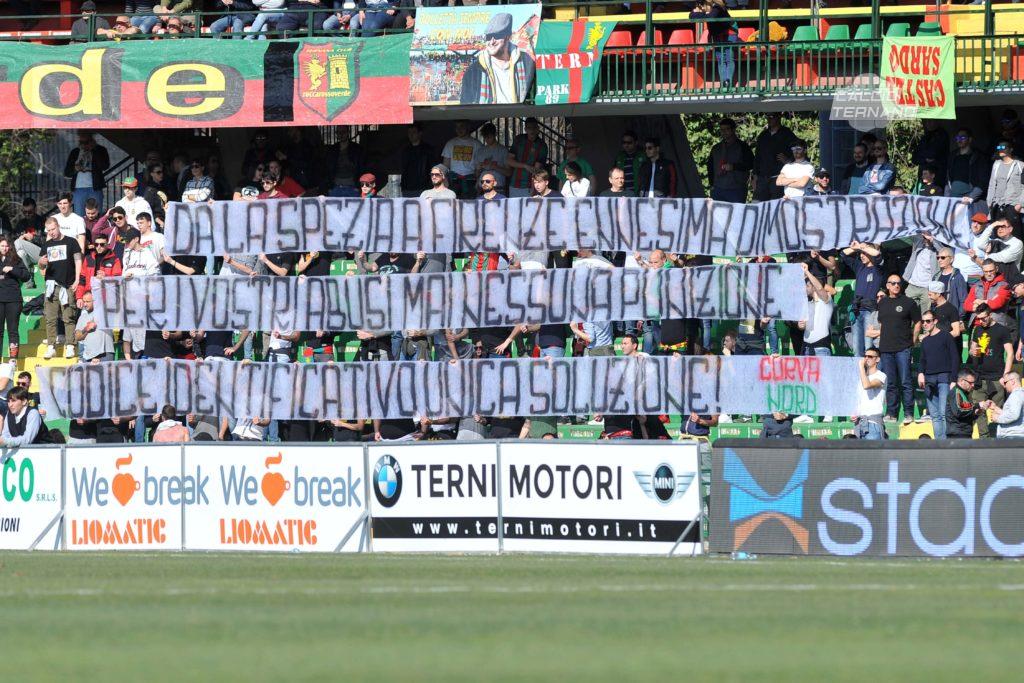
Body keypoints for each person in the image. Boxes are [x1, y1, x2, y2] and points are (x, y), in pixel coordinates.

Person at [873, 275, 921, 425]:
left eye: (899, 283)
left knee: (906, 382)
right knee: (891, 383)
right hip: (886, 349)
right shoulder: (882, 303)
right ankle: (891, 413)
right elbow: (882, 324)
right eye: (893, 283)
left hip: (902, 348)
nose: (896, 285)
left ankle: (908, 413)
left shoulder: (909, 302)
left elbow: (918, 322)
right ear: (887, 285)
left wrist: (912, 341)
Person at [459, 13, 536, 105]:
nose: (491, 42)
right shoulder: (473, 71)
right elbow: (466, 105)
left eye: (496, 36)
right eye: (488, 37)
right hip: (487, 118)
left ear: (508, 36)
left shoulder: (526, 61)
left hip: (518, 115)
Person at [967, 303, 1014, 438]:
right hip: (979, 377)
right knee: (979, 411)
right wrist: (973, 352)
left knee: (996, 411)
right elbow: (972, 350)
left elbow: (1010, 353)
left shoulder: (1002, 330)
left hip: (996, 377)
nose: (981, 321)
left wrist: (1005, 376)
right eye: (978, 318)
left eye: (983, 318)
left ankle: (995, 441)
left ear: (990, 315)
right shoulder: (977, 329)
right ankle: (984, 441)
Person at [38, 217, 82, 361]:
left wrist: (77, 280)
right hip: (51, 285)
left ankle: (70, 344)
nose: (51, 232)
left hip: (67, 284)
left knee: (68, 316)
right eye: (49, 230)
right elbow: (41, 269)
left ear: (58, 226)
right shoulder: (46, 245)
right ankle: (51, 346)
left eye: (53, 229)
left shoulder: (71, 241)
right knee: (50, 317)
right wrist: (41, 263)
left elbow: (78, 260)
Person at [917, 310, 960, 439]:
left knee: (943, 413)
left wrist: (953, 379)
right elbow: (922, 360)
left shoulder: (946, 336)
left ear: (935, 321)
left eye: (928, 321)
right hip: (929, 380)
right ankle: (938, 444)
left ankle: (946, 444)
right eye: (923, 321)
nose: (925, 324)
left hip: (944, 379)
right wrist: (920, 373)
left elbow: (955, 358)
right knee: (935, 416)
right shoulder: (925, 341)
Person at [842, 241, 883, 355]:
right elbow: (843, 255)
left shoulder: (878, 268)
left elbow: (878, 255)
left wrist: (865, 248)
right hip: (856, 311)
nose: (861, 255)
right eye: (860, 253)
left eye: (864, 253)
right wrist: (857, 248)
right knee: (857, 348)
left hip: (870, 311)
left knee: (869, 347)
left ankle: (871, 372)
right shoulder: (859, 266)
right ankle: (859, 372)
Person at [690, 0, 738, 86]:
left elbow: (711, 17)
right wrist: (704, 14)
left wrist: (701, 14)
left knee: (728, 57)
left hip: (729, 34)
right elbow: (691, 16)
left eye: (702, 5)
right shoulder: (707, 11)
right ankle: (724, 83)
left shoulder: (718, 7)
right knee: (720, 60)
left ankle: (729, 81)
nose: (701, 7)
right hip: (717, 34)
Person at [752, 112, 798, 201]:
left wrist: (788, 160)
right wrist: (754, 177)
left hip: (778, 178)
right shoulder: (763, 135)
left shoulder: (787, 134)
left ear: (779, 117)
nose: (769, 119)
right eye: (767, 116)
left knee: (776, 207)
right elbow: (757, 156)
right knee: (758, 205)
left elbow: (800, 148)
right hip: (762, 179)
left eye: (772, 116)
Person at [707, 118, 753, 202]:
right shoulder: (716, 148)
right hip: (718, 189)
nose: (724, 132)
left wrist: (734, 166)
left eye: (727, 129)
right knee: (718, 215)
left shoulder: (743, 146)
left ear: (733, 130)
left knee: (737, 215)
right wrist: (712, 185)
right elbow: (710, 166)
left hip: (736, 189)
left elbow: (751, 164)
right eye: (722, 130)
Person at [64, 132, 110, 216]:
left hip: (95, 188)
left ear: (92, 140)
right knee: (80, 216)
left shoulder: (100, 150)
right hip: (78, 189)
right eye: (82, 142)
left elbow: (105, 166)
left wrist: (94, 150)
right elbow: (67, 172)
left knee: (96, 214)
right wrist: (75, 169)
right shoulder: (75, 152)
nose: (84, 145)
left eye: (87, 142)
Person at [946, 127, 989, 213]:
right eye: (957, 138)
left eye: (963, 137)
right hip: (953, 198)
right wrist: (947, 196)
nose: (959, 140)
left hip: (969, 200)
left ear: (970, 139)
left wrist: (971, 197)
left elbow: (983, 181)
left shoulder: (978, 157)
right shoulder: (953, 155)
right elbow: (948, 178)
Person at [0, 237, 29, 361]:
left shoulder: (15, 259)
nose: (4, 248)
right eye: (2, 246)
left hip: (13, 299)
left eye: (7, 246)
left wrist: (12, 269)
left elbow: (26, 276)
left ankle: (13, 360)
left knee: (13, 330)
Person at [986, 140, 1024, 235]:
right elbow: (992, 184)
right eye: (999, 148)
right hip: (997, 205)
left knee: (1014, 234)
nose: (1001, 150)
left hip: (1012, 205)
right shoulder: (996, 164)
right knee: (998, 232)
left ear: (1010, 149)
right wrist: (989, 201)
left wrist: (1020, 205)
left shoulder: (1019, 165)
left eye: (1003, 147)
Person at [901, 232, 944, 313]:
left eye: (927, 239)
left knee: (925, 314)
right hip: (912, 286)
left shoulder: (937, 251)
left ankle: (924, 326)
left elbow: (944, 251)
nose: (925, 240)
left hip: (927, 288)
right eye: (924, 238)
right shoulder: (918, 245)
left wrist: (932, 239)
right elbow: (910, 231)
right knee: (906, 311)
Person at [507, 118, 548, 198]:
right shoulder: (519, 139)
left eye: (534, 128)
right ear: (525, 129)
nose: (532, 130)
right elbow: (509, 160)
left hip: (529, 186)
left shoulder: (542, 145)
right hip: (514, 184)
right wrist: (525, 166)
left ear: (538, 129)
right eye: (529, 128)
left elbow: (537, 169)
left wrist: (533, 187)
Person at [964, 258, 1013, 327]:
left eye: (991, 271)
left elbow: (997, 303)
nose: (988, 274)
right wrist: (985, 303)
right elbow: (966, 305)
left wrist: (979, 302)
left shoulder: (1004, 285)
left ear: (996, 269)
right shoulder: (976, 285)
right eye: (986, 272)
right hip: (977, 324)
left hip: (996, 324)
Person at [799, 264, 833, 356]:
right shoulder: (808, 304)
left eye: (807, 286)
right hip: (806, 348)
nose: (805, 288)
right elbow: (803, 326)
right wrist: (801, 325)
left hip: (821, 348)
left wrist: (807, 272)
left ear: (813, 286)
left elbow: (819, 288)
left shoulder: (826, 300)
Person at [441, 120, 481, 199]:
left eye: (462, 126)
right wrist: (444, 180)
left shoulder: (477, 144)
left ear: (468, 127)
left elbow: (479, 166)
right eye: (457, 127)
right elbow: (445, 165)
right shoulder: (450, 143)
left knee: (469, 206)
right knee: (454, 206)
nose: (459, 129)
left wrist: (478, 182)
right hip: (453, 179)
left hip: (470, 179)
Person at [854, 350, 887, 440]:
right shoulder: (862, 377)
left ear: (877, 359)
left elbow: (867, 385)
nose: (867, 358)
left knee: (873, 454)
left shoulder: (881, 375)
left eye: (870, 356)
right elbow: (859, 398)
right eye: (865, 356)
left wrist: (861, 367)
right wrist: (855, 413)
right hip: (860, 422)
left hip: (873, 423)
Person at [74, 292, 116, 362]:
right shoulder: (82, 317)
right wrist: (86, 329)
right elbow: (77, 337)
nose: (85, 304)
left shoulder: (105, 311)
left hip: (105, 354)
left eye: (88, 302)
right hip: (89, 355)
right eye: (84, 301)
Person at [400, 123, 437, 198]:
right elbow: (403, 169)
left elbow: (434, 168)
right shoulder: (405, 150)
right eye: (409, 132)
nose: (411, 135)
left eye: (413, 132)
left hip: (424, 188)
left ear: (420, 133)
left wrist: (431, 185)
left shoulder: (428, 150)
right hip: (407, 188)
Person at [472, 123, 510, 194]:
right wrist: (478, 169)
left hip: (498, 189)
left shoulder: (503, 150)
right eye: (485, 137)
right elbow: (476, 175)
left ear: (495, 134)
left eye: (489, 136)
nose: (487, 139)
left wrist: (494, 167)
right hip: (482, 189)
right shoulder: (480, 151)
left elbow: (509, 173)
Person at [985, 372, 1024, 438]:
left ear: (1012, 381)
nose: (1004, 386)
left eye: (1005, 383)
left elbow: (1013, 415)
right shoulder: (1019, 394)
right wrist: (995, 408)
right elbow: (1012, 413)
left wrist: (997, 418)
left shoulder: (1016, 395)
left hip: (1013, 436)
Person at [946, 369, 982, 439]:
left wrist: (976, 413)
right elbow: (959, 410)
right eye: (970, 383)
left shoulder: (964, 393)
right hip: (957, 435)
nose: (973, 385)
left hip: (963, 433)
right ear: (962, 381)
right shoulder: (956, 392)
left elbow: (965, 412)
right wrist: (978, 405)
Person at [933, 247, 969, 316]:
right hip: (938, 315)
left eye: (943, 257)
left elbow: (963, 300)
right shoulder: (935, 277)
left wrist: (959, 317)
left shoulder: (958, 277)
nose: (939, 260)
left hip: (952, 316)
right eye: (938, 257)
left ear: (951, 259)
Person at [913, 120, 950, 186]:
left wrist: (926, 157)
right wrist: (925, 159)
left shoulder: (942, 136)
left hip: (938, 177)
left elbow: (934, 154)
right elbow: (915, 158)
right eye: (927, 121)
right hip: (923, 177)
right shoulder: (925, 138)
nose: (928, 124)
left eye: (930, 121)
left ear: (937, 122)